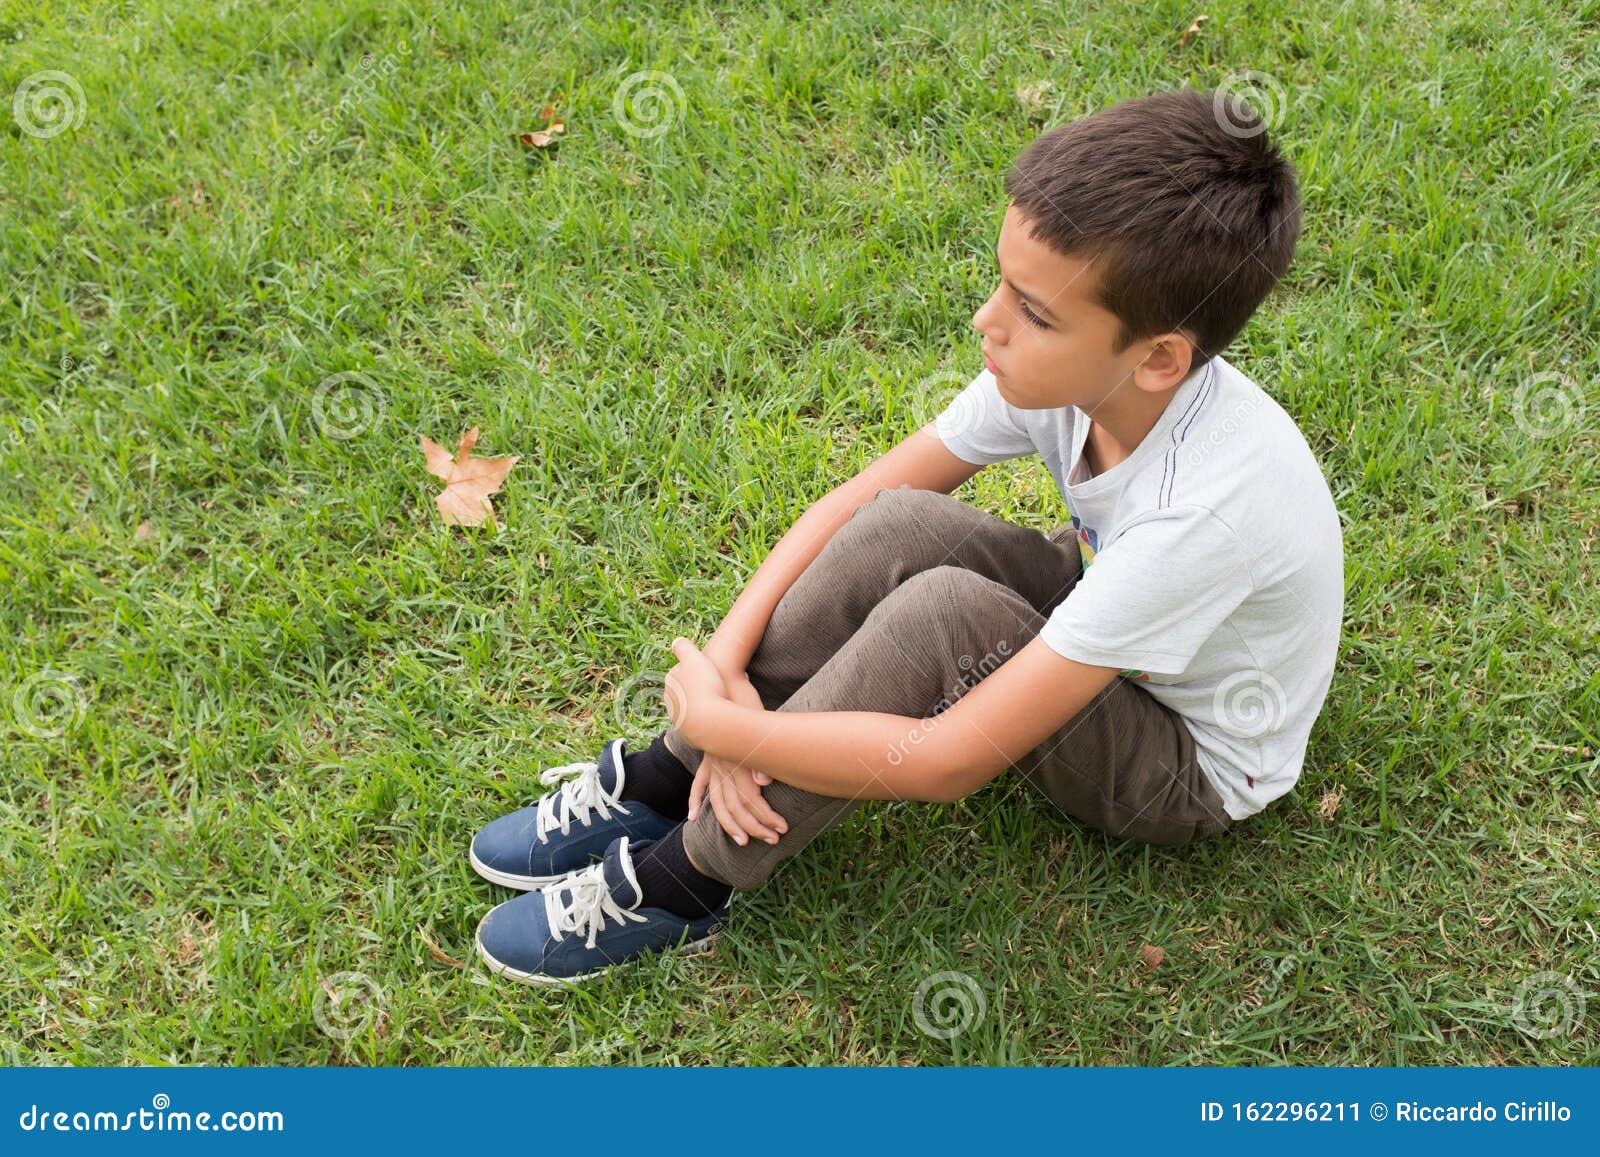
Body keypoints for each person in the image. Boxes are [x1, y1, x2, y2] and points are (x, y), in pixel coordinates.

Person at [469, 87, 1343, 987]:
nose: (987, 321)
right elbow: (853, 504)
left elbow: (947, 761)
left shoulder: (1200, 514)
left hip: (1186, 756)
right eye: (1003, 281)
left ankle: (683, 882)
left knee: (949, 616)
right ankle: (663, 777)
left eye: (1034, 313)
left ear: (1158, 354)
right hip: (1113, 615)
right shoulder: (1073, 379)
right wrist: (720, 691)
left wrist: (742, 732)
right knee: (900, 524)